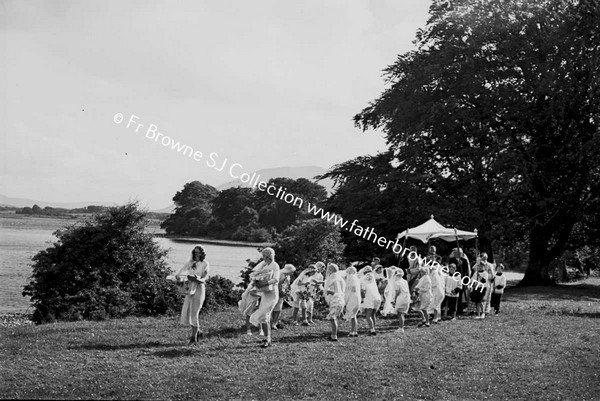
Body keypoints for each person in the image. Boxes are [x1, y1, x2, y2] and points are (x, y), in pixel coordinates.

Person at [177, 245, 209, 345]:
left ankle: (193, 338)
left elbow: (205, 278)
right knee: (187, 311)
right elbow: (181, 272)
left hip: (199, 288)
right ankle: (198, 331)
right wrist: (179, 278)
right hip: (189, 288)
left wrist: (197, 279)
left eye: (198, 252)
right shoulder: (190, 263)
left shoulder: (205, 263)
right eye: (195, 252)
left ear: (202, 253)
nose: (196, 254)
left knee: (194, 313)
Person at [249, 247, 280, 348]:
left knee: (264, 313)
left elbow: (276, 279)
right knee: (264, 317)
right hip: (265, 293)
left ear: (268, 256)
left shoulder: (275, 265)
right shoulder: (264, 264)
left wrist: (265, 282)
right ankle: (267, 338)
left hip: (272, 293)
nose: (263, 258)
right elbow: (256, 273)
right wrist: (256, 280)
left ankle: (268, 339)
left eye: (264, 256)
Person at [324, 263, 346, 341]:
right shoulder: (340, 279)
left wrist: (328, 291)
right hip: (340, 300)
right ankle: (334, 334)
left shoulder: (333, 279)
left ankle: (334, 335)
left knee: (332, 318)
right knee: (334, 318)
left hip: (336, 300)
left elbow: (335, 291)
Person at [271, 264, 296, 330]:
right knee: (276, 309)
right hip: (278, 292)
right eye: (292, 271)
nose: (292, 273)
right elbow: (278, 284)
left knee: (277, 309)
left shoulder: (286, 275)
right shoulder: (281, 274)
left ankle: (274, 322)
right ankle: (273, 323)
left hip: (282, 293)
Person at [359, 266, 382, 335]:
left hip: (370, 297)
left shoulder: (363, 278)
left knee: (368, 315)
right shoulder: (373, 277)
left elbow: (363, 290)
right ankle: (373, 328)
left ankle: (372, 330)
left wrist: (362, 298)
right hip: (377, 297)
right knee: (373, 314)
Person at [449, 248, 470, 317]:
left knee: (460, 295)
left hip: (462, 279)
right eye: (455, 253)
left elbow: (466, 271)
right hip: (453, 279)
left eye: (457, 253)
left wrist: (466, 282)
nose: (455, 254)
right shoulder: (451, 260)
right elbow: (450, 269)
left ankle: (459, 310)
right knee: (452, 295)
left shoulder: (464, 260)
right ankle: (452, 310)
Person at [343, 265, 361, 337]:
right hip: (356, 298)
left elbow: (352, 289)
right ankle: (355, 331)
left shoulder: (352, 279)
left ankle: (352, 332)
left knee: (352, 315)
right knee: (354, 315)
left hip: (353, 298)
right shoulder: (356, 279)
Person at [393, 269, 411, 334]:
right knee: (402, 313)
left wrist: (394, 299)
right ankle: (401, 327)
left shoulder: (396, 282)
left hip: (402, 297)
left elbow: (397, 291)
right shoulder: (405, 281)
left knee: (400, 313)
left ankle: (401, 328)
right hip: (407, 297)